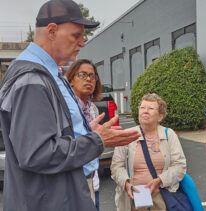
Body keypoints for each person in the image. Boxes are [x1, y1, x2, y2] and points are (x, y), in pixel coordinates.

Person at [0, 0, 140, 211]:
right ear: (52, 30)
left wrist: (84, 133)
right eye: (76, 35)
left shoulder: (49, 74)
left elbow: (47, 137)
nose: (82, 42)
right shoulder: (32, 80)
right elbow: (37, 153)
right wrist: (96, 140)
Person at [111, 93, 187, 211]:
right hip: (134, 198)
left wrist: (160, 180)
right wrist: (126, 184)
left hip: (162, 197)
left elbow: (180, 166)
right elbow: (116, 166)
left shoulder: (169, 134)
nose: (145, 111)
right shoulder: (126, 135)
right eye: (142, 108)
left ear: (160, 117)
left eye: (151, 108)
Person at [65, 59, 103, 210]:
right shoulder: (66, 108)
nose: (88, 79)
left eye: (92, 76)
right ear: (71, 80)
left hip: (94, 180)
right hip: (74, 182)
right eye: (82, 74)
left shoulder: (93, 108)